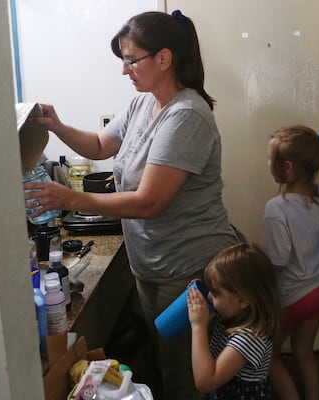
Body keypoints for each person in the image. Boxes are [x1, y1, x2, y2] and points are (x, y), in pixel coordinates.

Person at [24, 10, 238, 400]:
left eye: (131, 60)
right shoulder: (144, 105)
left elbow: (150, 202)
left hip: (188, 265)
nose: (125, 70)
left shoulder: (187, 115)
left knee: (183, 375)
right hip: (151, 263)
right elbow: (101, 145)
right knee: (163, 358)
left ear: (163, 58)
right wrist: (58, 126)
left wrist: (70, 197)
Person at [261, 125, 319, 400]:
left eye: (270, 158)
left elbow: (278, 262)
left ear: (287, 168)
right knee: (304, 352)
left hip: (293, 296)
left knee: (269, 358)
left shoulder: (278, 208)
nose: (267, 163)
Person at [187, 243, 281, 399]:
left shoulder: (249, 338)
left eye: (215, 293)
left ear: (243, 299)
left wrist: (198, 327)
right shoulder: (232, 314)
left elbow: (205, 382)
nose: (209, 296)